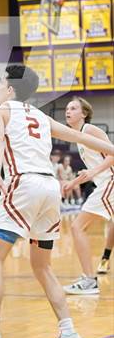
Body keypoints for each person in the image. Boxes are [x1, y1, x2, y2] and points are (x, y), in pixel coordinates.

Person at [0, 64, 114, 338]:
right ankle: (69, 335)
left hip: (23, 184)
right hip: (50, 190)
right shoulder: (42, 117)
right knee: (42, 267)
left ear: (10, 88)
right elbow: (86, 140)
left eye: (1, 82)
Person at [62, 97, 114, 295]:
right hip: (105, 182)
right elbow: (90, 171)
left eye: (74, 108)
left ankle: (89, 280)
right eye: (67, 108)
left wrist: (93, 172)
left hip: (111, 181)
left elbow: (112, 154)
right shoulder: (78, 137)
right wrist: (73, 183)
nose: (68, 111)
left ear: (84, 114)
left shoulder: (90, 130)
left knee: (77, 227)